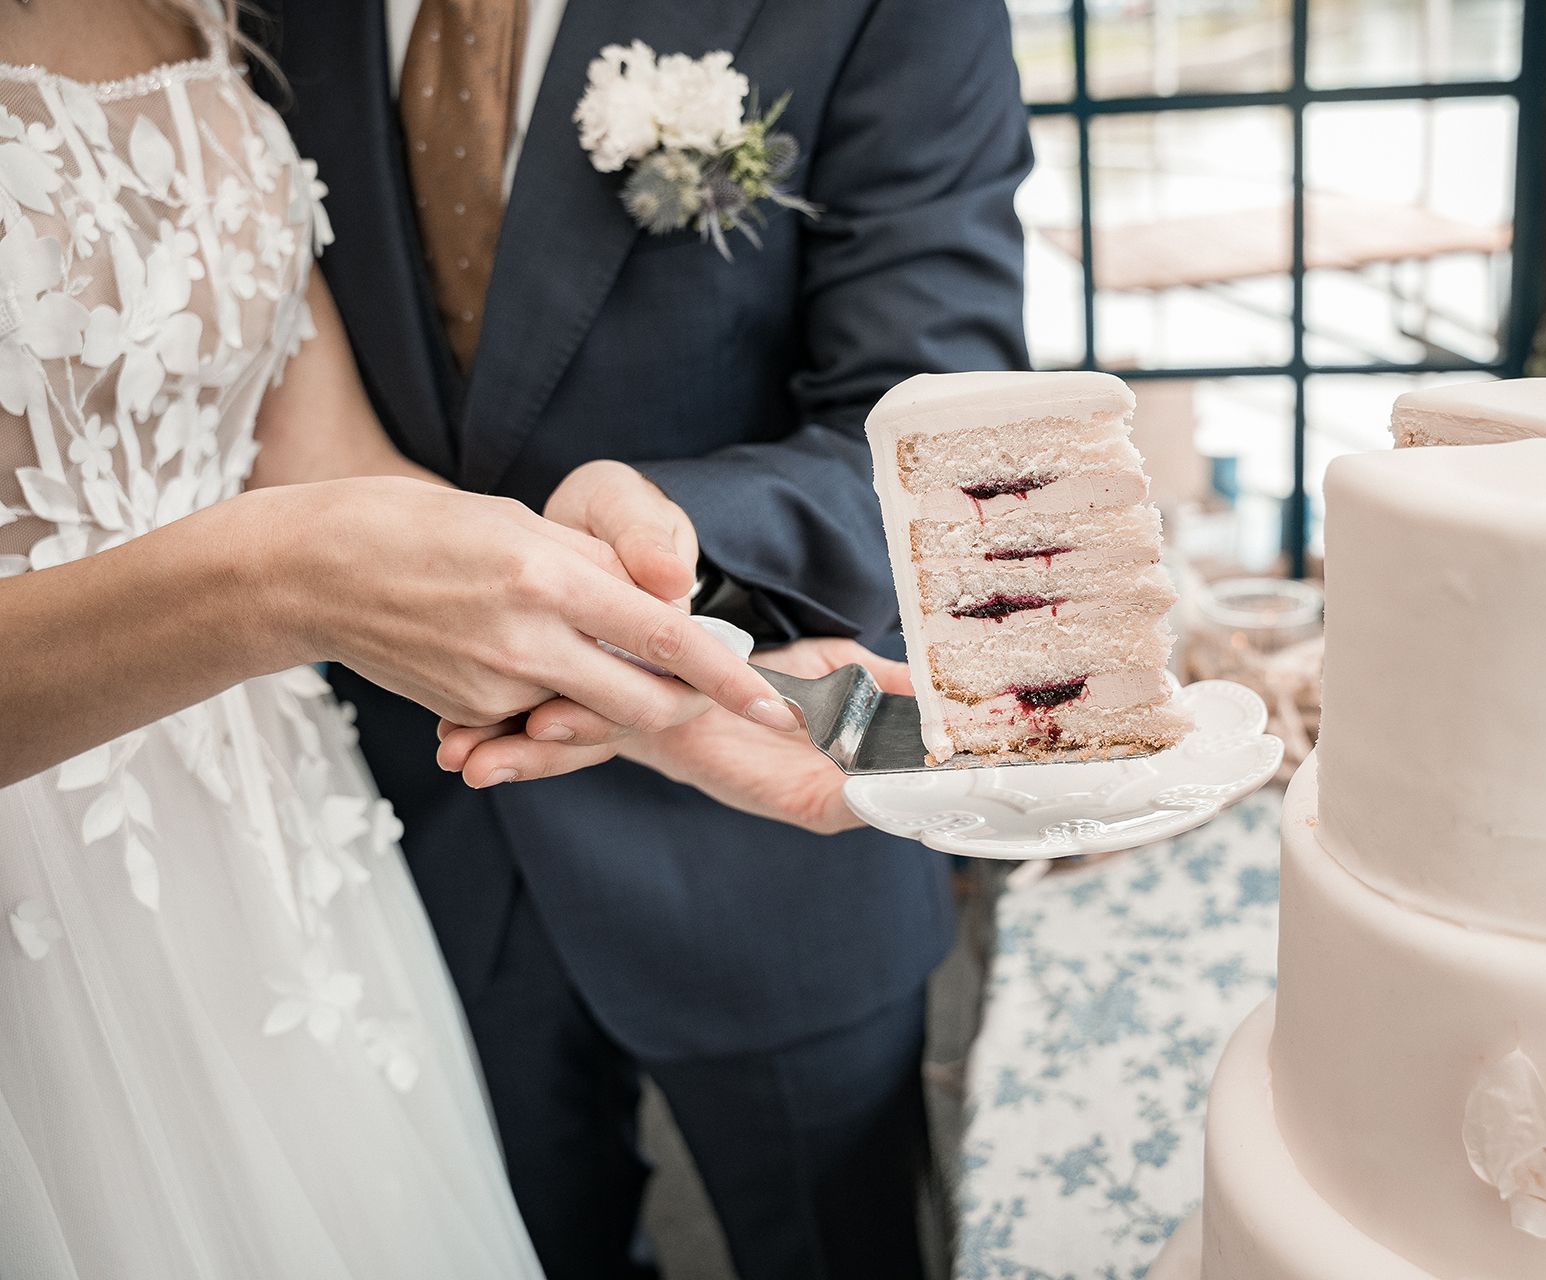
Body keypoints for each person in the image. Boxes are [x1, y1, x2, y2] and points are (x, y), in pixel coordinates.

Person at [0, 0, 907, 1275]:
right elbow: (292, 547)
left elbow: (318, 454)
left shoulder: (200, 8)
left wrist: (663, 669)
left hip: (277, 862)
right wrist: (274, 579)